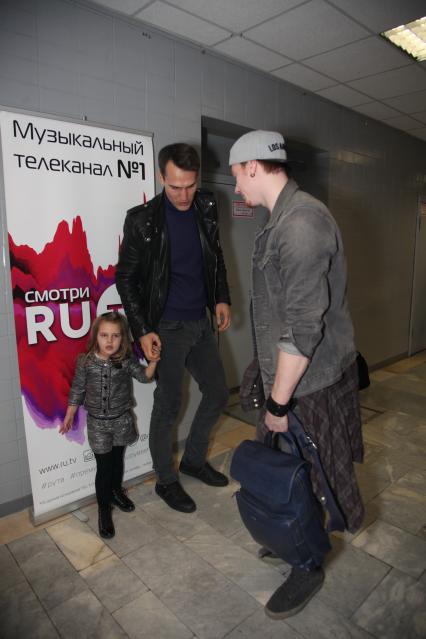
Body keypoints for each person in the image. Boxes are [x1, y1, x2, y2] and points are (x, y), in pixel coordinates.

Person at [229, 130, 364, 619]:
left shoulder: (302, 222)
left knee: (310, 476)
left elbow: (304, 326)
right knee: (283, 473)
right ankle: (291, 532)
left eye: (236, 175)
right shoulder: (280, 220)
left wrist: (279, 402)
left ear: (252, 166)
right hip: (286, 377)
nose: (235, 187)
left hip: (308, 385)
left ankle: (307, 563)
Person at [115, 143, 231, 514]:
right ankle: (166, 480)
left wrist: (221, 298)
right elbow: (125, 277)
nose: (183, 195)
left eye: (190, 185)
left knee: (217, 392)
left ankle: (193, 460)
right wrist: (143, 329)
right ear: (161, 177)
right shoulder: (142, 220)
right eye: (175, 186)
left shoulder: (207, 205)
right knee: (168, 405)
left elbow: (215, 258)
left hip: (200, 320)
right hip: (166, 326)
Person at [60, 312, 157, 539]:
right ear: (96, 336)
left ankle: (115, 492)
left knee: (117, 461)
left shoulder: (126, 361)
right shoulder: (85, 362)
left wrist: (153, 361)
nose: (110, 341)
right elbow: (77, 388)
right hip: (98, 425)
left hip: (122, 421)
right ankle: (104, 510)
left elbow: (145, 377)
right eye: (104, 335)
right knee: (104, 467)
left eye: (115, 336)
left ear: (123, 338)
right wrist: (70, 413)